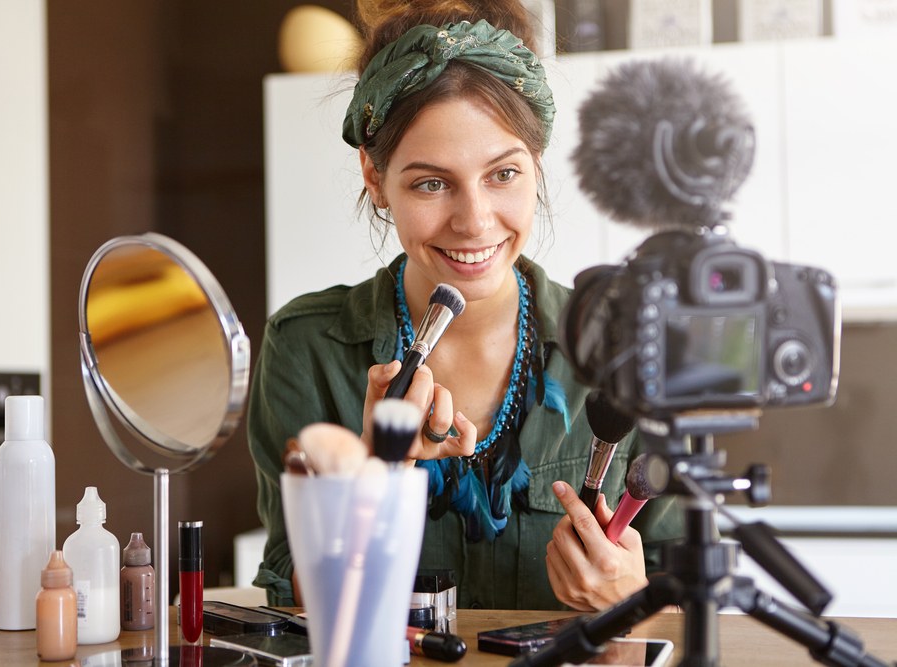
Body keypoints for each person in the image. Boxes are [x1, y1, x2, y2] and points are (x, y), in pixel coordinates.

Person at [248, 0, 683, 611]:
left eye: (503, 174)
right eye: (431, 182)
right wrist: (380, 479)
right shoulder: (306, 349)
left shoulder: (626, 346)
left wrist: (628, 598)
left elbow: (697, 601)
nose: (475, 221)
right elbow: (293, 601)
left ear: (536, 164)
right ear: (374, 177)